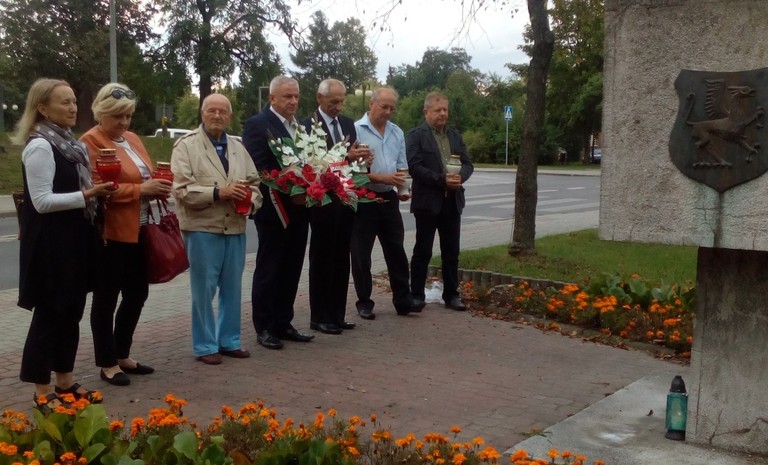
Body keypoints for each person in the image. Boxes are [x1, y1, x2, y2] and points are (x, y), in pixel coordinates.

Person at [14, 78, 114, 409]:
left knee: (71, 312)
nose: (73, 108)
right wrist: (88, 194)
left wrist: (95, 195)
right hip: (50, 244)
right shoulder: (41, 145)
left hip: (74, 239)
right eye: (64, 103)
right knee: (51, 314)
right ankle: (42, 390)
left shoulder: (69, 143)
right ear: (42, 108)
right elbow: (41, 201)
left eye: (74, 101)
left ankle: (65, 380)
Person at [80, 83, 172, 386]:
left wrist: (159, 185)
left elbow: (143, 173)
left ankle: (122, 353)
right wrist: (141, 190)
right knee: (106, 297)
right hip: (112, 231)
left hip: (141, 227)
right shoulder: (90, 141)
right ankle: (107, 362)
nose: (124, 123)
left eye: (128, 116)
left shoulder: (131, 138)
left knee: (137, 292)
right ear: (101, 113)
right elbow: (96, 187)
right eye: (117, 117)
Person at [171, 93, 262, 365]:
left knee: (233, 287)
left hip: (234, 226)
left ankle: (229, 340)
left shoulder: (238, 148)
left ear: (230, 117)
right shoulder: (185, 147)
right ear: (202, 113)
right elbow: (182, 189)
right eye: (211, 111)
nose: (217, 116)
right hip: (202, 228)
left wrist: (250, 201)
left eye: (223, 112)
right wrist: (219, 192)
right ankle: (205, 345)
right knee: (204, 289)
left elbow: (255, 184)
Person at [242, 76, 314, 350]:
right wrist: (290, 185)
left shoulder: (304, 126)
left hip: (301, 209)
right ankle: (265, 327)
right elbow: (259, 168)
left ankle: (284, 322)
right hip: (274, 210)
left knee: (293, 267)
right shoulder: (258, 125)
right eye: (287, 96)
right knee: (270, 268)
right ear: (272, 98)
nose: (293, 101)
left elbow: (312, 162)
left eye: (296, 96)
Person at [305, 78, 372, 334]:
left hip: (344, 199)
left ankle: (337, 313)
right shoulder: (308, 125)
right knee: (322, 259)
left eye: (342, 101)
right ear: (320, 99)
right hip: (321, 201)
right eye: (334, 101)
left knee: (342, 258)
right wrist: (346, 156)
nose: (339, 106)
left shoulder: (346, 124)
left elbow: (351, 162)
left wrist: (361, 160)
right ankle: (319, 316)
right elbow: (313, 162)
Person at [351, 87, 423, 319]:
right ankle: (364, 301)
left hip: (388, 197)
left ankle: (403, 300)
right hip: (363, 196)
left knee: (396, 250)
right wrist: (382, 178)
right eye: (384, 106)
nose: (388, 112)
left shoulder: (396, 132)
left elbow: (402, 165)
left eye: (392, 108)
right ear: (371, 104)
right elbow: (352, 172)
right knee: (361, 253)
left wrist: (403, 188)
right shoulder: (355, 130)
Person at [406, 92, 474, 311]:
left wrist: (460, 177)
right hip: (428, 202)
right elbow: (414, 167)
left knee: (451, 251)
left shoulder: (455, 136)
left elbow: (467, 164)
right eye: (438, 110)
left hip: (452, 201)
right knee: (423, 251)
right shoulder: (417, 135)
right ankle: (416, 295)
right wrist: (442, 180)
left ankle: (452, 295)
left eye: (445, 109)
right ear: (426, 112)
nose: (443, 113)